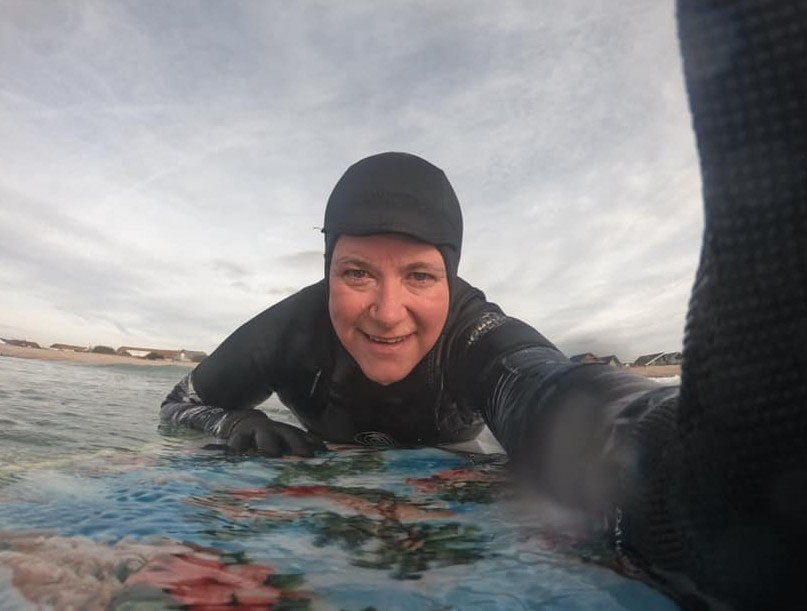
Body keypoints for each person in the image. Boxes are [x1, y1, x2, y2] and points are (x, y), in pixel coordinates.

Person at [162, 2, 805, 608]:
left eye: (419, 276)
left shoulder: (473, 335)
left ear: (451, 279)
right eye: (357, 272)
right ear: (328, 266)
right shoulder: (287, 331)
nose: (388, 312)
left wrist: (678, 471)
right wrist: (233, 425)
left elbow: (551, 392)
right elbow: (178, 406)